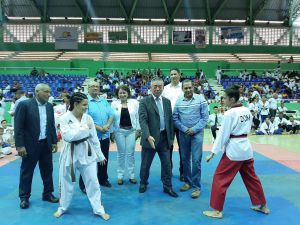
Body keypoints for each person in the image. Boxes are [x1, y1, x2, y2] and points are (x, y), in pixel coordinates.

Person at [203, 85, 269, 219]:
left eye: (225, 98)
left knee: (220, 178)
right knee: (251, 178)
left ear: (232, 99)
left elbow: (223, 134)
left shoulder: (229, 113)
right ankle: (262, 205)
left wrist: (213, 152)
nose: (223, 101)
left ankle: (217, 211)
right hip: (246, 148)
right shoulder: (247, 110)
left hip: (234, 150)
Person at [53, 93, 110, 220]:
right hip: (70, 153)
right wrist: (85, 129)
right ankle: (62, 207)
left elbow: (94, 138)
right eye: (84, 105)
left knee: (93, 182)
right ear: (75, 104)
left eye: (87, 105)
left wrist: (100, 155)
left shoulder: (88, 118)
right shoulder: (64, 118)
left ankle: (99, 210)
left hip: (87, 152)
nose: (86, 107)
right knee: (66, 182)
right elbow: (68, 137)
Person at [14, 83, 59, 209]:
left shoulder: (50, 106)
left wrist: (54, 141)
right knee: (27, 171)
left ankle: (48, 193)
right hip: (29, 145)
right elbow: (18, 127)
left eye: (49, 92)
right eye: (46, 91)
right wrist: (20, 145)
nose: (49, 94)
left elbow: (51, 125)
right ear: (37, 91)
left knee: (47, 170)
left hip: (46, 144)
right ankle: (24, 197)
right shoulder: (25, 105)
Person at [138, 78, 178, 198]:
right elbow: (142, 120)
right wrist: (147, 135)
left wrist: (171, 138)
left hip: (165, 138)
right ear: (150, 87)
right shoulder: (144, 101)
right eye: (155, 86)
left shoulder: (167, 101)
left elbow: (169, 120)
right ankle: (143, 183)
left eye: (160, 86)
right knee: (145, 164)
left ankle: (167, 186)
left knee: (167, 164)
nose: (157, 88)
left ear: (163, 88)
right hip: (150, 139)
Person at [173, 80, 209, 199]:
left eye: (190, 88)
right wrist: (184, 129)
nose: (188, 90)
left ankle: (196, 187)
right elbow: (175, 118)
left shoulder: (200, 99)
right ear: (182, 89)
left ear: (193, 88)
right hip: (184, 134)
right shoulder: (178, 102)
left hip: (197, 134)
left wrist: (194, 129)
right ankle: (187, 182)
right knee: (185, 159)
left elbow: (205, 118)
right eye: (186, 88)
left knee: (196, 160)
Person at [79, 81, 114, 193]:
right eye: (92, 86)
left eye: (96, 86)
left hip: (105, 136)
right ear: (88, 88)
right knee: (88, 161)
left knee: (104, 159)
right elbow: (84, 119)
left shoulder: (104, 100)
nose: (95, 88)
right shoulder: (85, 101)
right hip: (90, 138)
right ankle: (84, 184)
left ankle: (103, 179)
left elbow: (111, 114)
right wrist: (99, 128)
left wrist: (107, 125)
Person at [111, 85, 141, 185]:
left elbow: (138, 116)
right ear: (117, 94)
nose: (122, 94)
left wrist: (138, 130)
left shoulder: (135, 103)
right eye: (120, 93)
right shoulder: (114, 104)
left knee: (130, 153)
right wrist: (112, 132)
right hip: (119, 131)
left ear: (128, 93)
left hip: (131, 131)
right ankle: (120, 176)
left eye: (124, 92)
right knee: (121, 154)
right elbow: (111, 118)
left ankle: (132, 175)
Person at [162, 68, 184, 181]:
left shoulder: (184, 88)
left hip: (181, 121)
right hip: (168, 121)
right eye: (171, 74)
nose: (173, 76)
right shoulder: (165, 89)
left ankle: (183, 173)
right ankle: (168, 170)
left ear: (179, 75)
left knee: (183, 148)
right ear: (169, 76)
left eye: (175, 74)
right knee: (168, 148)